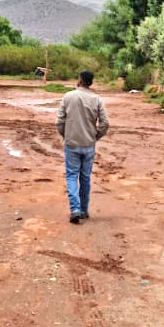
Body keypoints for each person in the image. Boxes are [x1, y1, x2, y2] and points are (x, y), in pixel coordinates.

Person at [56, 70, 109, 223]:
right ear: (91, 82)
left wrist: (66, 135)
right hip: (88, 144)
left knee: (72, 176)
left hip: (72, 143)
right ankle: (84, 210)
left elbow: (59, 122)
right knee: (85, 177)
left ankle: (75, 209)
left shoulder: (68, 96)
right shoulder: (96, 99)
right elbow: (105, 123)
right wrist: (95, 137)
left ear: (79, 80)